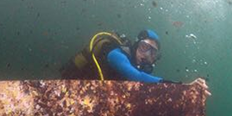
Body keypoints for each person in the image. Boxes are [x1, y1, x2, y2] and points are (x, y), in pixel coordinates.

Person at [60, 29, 211, 95]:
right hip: (71, 92)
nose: (146, 54)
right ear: (135, 45)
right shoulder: (115, 53)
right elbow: (136, 77)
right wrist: (182, 87)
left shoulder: (140, 71)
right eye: (144, 47)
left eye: (152, 52)